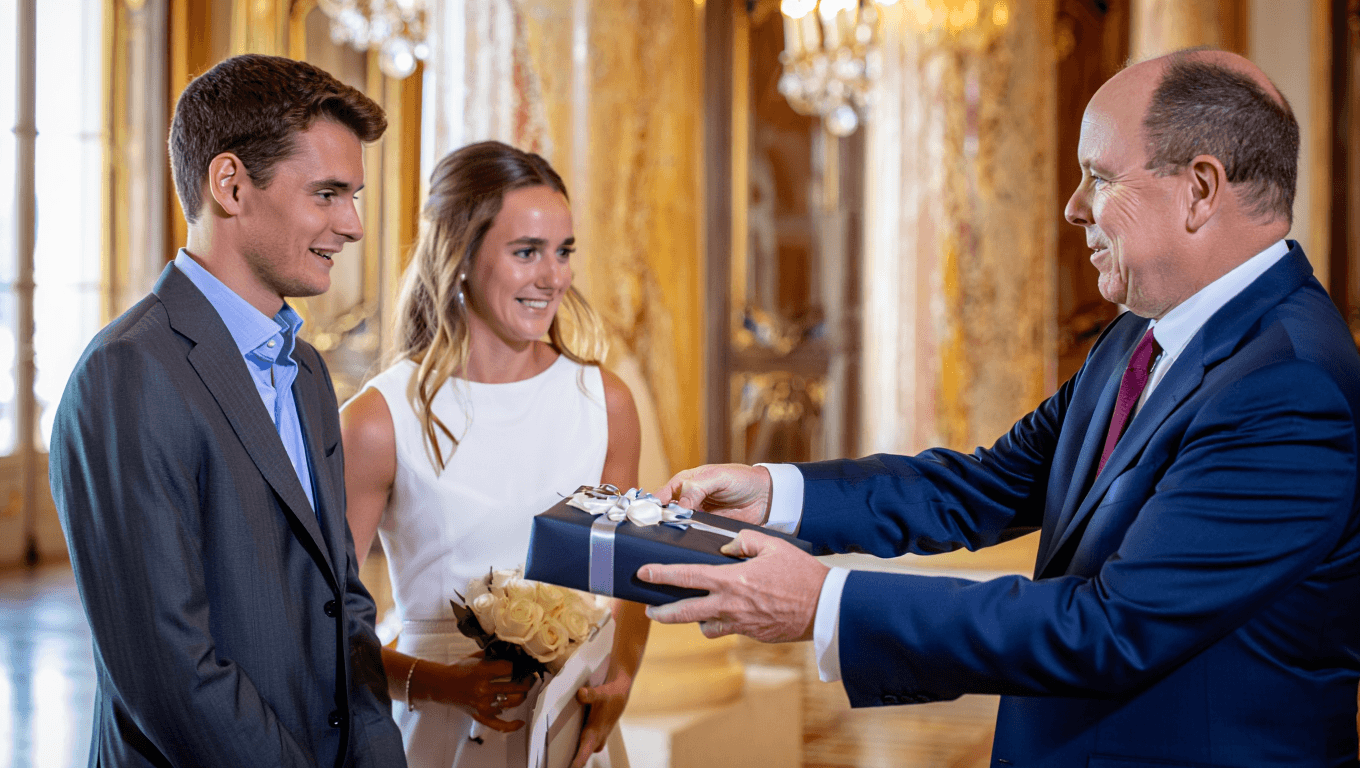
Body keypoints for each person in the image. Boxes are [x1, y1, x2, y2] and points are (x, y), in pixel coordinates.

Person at [640, 48, 1360, 766]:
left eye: (1100, 177)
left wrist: (824, 604)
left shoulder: (1290, 388)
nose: (1073, 206)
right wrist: (774, 495)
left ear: (1201, 189)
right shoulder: (1141, 333)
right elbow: (983, 484)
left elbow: (1111, 630)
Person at [48, 54, 406, 767]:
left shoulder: (304, 369)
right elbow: (171, 670)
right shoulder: (127, 374)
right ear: (231, 184)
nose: (355, 225)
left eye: (354, 196)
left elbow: (345, 607)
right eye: (329, 194)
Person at [341, 140, 649, 768]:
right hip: (436, 731)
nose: (553, 277)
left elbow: (626, 584)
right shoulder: (380, 419)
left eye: (563, 252)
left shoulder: (606, 403)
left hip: (569, 728)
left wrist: (620, 676)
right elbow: (319, 627)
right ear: (459, 255)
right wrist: (438, 684)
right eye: (526, 252)